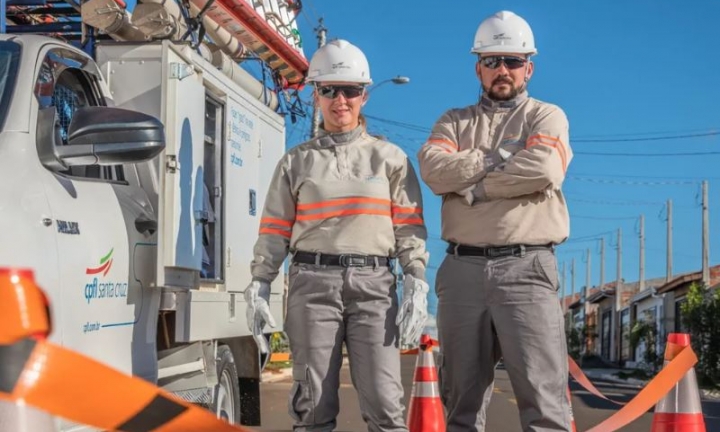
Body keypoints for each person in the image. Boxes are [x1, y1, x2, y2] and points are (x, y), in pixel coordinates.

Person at [245, 38, 430, 432]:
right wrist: (260, 281)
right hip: (313, 286)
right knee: (312, 406)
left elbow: (409, 226)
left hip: (375, 287)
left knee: (384, 404)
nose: (340, 100)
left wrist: (415, 278)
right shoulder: (296, 163)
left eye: (350, 90)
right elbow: (275, 228)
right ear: (316, 95)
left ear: (364, 95)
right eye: (329, 90)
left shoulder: (390, 159)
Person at [417, 10, 574, 432]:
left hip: (527, 269)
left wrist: (475, 189)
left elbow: (542, 169)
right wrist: (496, 156)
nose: (502, 70)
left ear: (529, 68)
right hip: (462, 270)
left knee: (544, 402)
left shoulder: (546, 116)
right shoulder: (453, 120)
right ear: (478, 68)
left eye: (512, 61)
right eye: (491, 61)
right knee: (460, 404)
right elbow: (433, 170)